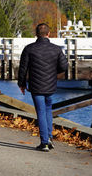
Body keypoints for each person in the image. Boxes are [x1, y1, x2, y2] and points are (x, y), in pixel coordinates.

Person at [18, 22, 68, 152]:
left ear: (36, 34)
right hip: (50, 85)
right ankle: (49, 137)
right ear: (48, 34)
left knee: (40, 112)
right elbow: (64, 66)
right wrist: (53, 72)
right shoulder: (56, 49)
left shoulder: (29, 49)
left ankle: (44, 142)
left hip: (36, 85)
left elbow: (23, 68)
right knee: (48, 110)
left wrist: (21, 83)